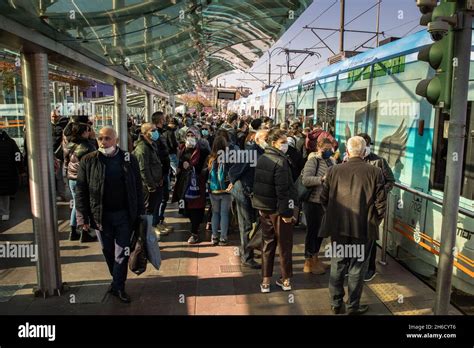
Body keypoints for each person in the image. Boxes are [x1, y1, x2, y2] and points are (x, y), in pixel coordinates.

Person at [75, 126, 144, 303]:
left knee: (122, 252)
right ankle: (116, 281)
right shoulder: (89, 160)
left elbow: (138, 188)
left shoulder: (129, 159)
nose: (103, 142)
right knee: (108, 251)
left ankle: (119, 287)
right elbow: (81, 190)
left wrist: (141, 214)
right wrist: (82, 217)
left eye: (107, 138)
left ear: (116, 140)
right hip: (100, 217)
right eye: (100, 138)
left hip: (124, 216)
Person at [320, 136, 386, 315]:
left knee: (338, 263)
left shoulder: (334, 170)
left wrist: (334, 215)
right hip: (363, 228)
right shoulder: (375, 172)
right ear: (364, 152)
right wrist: (375, 221)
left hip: (338, 227)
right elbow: (381, 204)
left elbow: (323, 198)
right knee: (357, 267)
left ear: (347, 152)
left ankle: (335, 303)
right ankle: (352, 306)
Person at [252, 128, 297, 293]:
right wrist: (287, 213)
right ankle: (286, 280)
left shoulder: (262, 158)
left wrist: (260, 206)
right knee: (285, 245)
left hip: (264, 209)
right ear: (273, 143)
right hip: (279, 210)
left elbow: (258, 185)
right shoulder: (281, 161)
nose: (286, 145)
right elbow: (283, 191)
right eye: (282, 142)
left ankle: (265, 282)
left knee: (267, 244)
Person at [229, 129, 268, 269]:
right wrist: (237, 185)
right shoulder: (250, 153)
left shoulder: (263, 153)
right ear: (257, 140)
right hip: (244, 193)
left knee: (257, 223)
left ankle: (248, 248)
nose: (268, 141)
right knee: (245, 225)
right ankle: (247, 256)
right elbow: (233, 171)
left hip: (254, 194)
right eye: (266, 138)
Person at [358, 133, 394, 282]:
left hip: (372, 207)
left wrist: (379, 193)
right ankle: (355, 266)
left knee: (370, 238)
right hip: (356, 206)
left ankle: (369, 269)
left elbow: (390, 180)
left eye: (365, 144)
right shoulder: (350, 160)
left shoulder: (379, 161)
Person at [301, 138, 335, 274]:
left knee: (321, 232)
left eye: (330, 148)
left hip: (324, 202)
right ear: (318, 148)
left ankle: (315, 258)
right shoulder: (313, 161)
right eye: (325, 148)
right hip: (312, 202)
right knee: (312, 231)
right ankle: (308, 262)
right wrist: (322, 179)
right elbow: (306, 180)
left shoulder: (330, 161)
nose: (328, 151)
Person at [172, 126, 210, 244]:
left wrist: (192, 167)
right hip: (184, 183)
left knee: (196, 208)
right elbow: (180, 162)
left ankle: (194, 232)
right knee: (187, 208)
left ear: (197, 136)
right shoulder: (183, 149)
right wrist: (179, 168)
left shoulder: (203, 150)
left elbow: (206, 167)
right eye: (188, 136)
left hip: (198, 183)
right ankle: (194, 226)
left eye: (192, 135)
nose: (190, 138)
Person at [63, 122, 97, 241]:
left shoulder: (69, 144)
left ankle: (73, 230)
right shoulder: (88, 146)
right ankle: (84, 231)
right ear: (83, 132)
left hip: (71, 178)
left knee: (77, 204)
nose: (90, 132)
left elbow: (66, 161)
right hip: (82, 179)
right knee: (83, 205)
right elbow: (93, 165)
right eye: (88, 130)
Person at [133, 123, 163, 230]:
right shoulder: (142, 148)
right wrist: (151, 186)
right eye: (153, 130)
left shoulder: (151, 145)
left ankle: (151, 230)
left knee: (153, 208)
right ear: (146, 133)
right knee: (147, 211)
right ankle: (145, 234)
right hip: (148, 187)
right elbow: (143, 169)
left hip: (155, 183)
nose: (156, 132)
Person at [207, 136, 233, 246]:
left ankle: (214, 236)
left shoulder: (210, 158)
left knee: (215, 213)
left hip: (214, 190)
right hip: (226, 190)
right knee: (224, 214)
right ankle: (223, 237)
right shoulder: (229, 157)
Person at [151, 111, 173, 235]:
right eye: (163, 119)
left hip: (164, 170)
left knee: (164, 198)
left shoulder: (161, 134)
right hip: (159, 173)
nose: (165, 121)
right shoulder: (156, 137)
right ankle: (155, 223)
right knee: (159, 199)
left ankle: (159, 220)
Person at [0, 129, 23, 221]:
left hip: (6, 171)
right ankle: (5, 212)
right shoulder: (11, 142)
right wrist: (20, 168)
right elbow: (18, 156)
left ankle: (4, 212)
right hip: (8, 171)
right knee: (5, 193)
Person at [51, 109, 69, 201]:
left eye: (56, 116)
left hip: (59, 153)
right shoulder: (49, 126)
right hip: (51, 153)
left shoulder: (63, 125)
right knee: (55, 175)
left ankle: (61, 194)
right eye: (53, 116)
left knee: (58, 175)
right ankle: (57, 193)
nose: (54, 118)